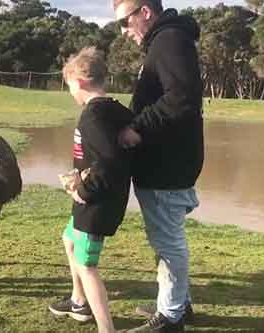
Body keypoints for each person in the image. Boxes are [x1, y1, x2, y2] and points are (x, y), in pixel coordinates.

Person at [112, 0, 204, 332]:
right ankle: (178, 303)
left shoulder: (168, 41)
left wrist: (137, 127)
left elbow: (181, 98)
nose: (123, 32)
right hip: (165, 160)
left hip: (168, 163)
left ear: (145, 12)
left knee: (168, 241)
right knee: (166, 238)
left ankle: (170, 317)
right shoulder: (167, 40)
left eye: (124, 22)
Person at [48, 46, 133, 333]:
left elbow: (109, 165)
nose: (70, 91)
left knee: (87, 266)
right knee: (68, 239)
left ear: (80, 82)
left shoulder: (93, 117)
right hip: (90, 197)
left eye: (69, 85)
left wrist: (82, 191)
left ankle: (106, 328)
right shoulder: (113, 109)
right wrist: (80, 177)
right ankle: (78, 301)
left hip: (96, 203)